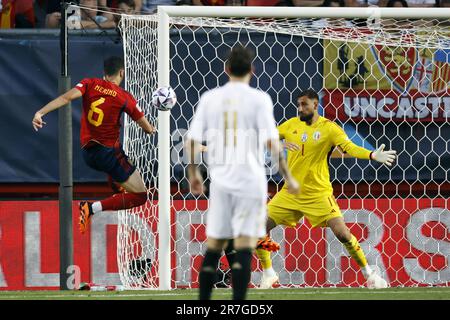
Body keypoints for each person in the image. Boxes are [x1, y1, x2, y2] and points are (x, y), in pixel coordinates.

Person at [185, 45, 298, 300]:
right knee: (244, 247)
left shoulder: (210, 98)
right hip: (250, 182)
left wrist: (194, 174)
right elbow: (272, 144)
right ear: (252, 70)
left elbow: (190, 142)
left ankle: (202, 304)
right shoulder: (260, 99)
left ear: (226, 70)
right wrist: (289, 177)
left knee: (214, 246)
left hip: (222, 182)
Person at [256, 89, 396, 289]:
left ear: (315, 105)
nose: (300, 108)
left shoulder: (329, 128)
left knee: (342, 234)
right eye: (298, 104)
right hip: (290, 193)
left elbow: (349, 147)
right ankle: (269, 273)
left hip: (318, 194)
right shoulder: (290, 125)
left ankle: (370, 274)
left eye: (304, 104)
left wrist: (372, 155)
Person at [32, 56, 156, 234]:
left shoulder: (89, 83)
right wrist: (151, 129)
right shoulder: (124, 97)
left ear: (104, 73)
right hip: (108, 155)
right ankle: (91, 208)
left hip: (88, 154)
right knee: (141, 196)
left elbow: (66, 98)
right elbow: (145, 125)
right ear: (122, 72)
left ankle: (116, 183)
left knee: (118, 181)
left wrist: (40, 112)